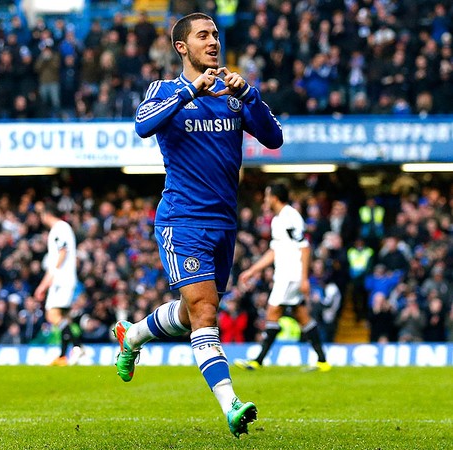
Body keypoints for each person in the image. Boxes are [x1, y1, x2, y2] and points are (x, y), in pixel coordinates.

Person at [114, 12, 283, 438]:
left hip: (225, 223)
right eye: (203, 35)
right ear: (181, 47)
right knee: (205, 310)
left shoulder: (233, 93)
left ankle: (133, 335)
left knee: (194, 316)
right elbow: (142, 126)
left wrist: (250, 96)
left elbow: (274, 138)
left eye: (215, 34)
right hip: (182, 219)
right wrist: (192, 89)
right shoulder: (166, 89)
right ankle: (231, 405)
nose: (213, 41)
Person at [235, 183, 331, 372]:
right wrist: (252, 270)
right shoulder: (278, 220)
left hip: (291, 274)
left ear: (275, 198)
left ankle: (258, 360)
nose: (265, 200)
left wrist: (304, 278)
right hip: (286, 274)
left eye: (267, 196)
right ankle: (322, 361)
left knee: (272, 312)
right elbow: (274, 251)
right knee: (302, 315)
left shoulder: (290, 217)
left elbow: (304, 247)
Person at [33, 202, 83, 366]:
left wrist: (46, 283)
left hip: (62, 280)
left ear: (46, 214)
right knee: (64, 318)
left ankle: (77, 346)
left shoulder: (59, 228)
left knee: (52, 315)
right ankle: (63, 355)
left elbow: (62, 252)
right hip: (65, 278)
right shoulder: (64, 228)